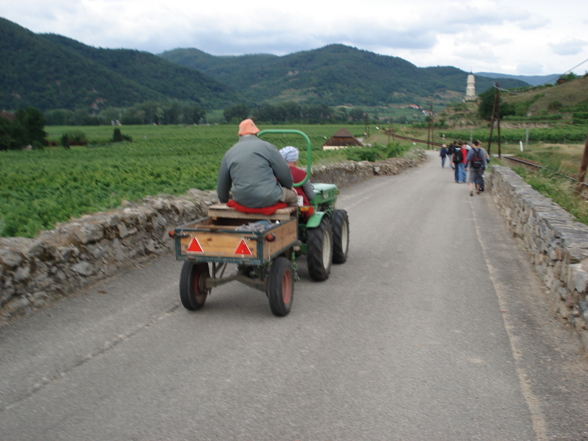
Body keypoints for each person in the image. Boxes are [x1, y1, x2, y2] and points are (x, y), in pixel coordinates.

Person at [217, 119, 298, 208]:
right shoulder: (267, 147)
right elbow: (284, 171)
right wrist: (288, 186)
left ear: (240, 135)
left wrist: (223, 200)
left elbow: (222, 181)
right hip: (269, 197)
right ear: (256, 133)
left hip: (241, 199)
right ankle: (291, 220)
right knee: (293, 196)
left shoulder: (229, 153)